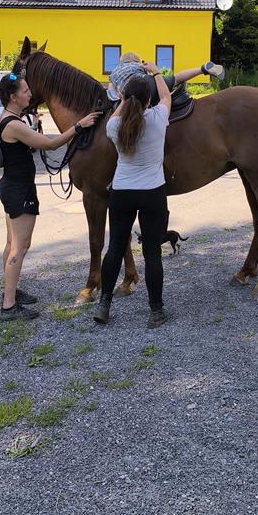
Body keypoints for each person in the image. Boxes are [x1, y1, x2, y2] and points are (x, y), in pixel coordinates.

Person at [0, 72, 101, 321]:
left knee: (12, 244)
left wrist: (31, 124)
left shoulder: (6, 117)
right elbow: (50, 144)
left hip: (11, 186)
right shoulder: (14, 125)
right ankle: (9, 307)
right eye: (25, 91)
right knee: (20, 247)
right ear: (13, 97)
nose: (30, 94)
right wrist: (79, 126)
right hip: (20, 190)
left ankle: (10, 291)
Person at [94, 62, 172, 329]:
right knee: (152, 252)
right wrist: (156, 72)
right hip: (152, 193)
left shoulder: (113, 125)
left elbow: (121, 112)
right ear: (148, 99)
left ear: (124, 99)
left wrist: (122, 97)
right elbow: (166, 97)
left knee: (115, 248)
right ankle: (156, 311)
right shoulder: (158, 119)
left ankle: (104, 305)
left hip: (122, 192)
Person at [107, 51, 225, 103]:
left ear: (121, 62)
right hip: (147, 80)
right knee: (176, 78)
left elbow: (111, 94)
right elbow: (149, 76)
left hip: (131, 89)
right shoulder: (139, 65)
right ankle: (203, 69)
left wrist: (119, 97)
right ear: (136, 60)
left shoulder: (114, 72)